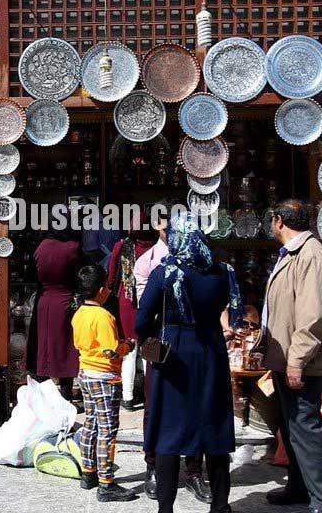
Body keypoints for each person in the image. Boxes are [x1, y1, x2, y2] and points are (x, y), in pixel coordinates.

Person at [135, 211, 244, 513]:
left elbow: (142, 319)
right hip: (211, 351)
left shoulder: (165, 272)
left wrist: (150, 335)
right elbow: (234, 308)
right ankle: (220, 505)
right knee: (215, 427)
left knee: (170, 432)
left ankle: (166, 508)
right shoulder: (223, 272)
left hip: (175, 356)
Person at [259, 199, 322, 513]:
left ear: (279, 220)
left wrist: (297, 359)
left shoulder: (311, 254)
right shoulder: (296, 253)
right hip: (288, 358)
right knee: (292, 426)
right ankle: (298, 487)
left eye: (271, 219)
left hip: (303, 361)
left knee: (305, 427)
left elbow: (313, 314)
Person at [132, 206, 210, 504]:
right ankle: (153, 466)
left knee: (195, 405)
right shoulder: (148, 262)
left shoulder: (202, 260)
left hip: (193, 342)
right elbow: (144, 310)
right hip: (162, 342)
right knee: (155, 406)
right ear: (157, 226)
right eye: (166, 225)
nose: (170, 230)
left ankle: (193, 470)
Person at [71, 264, 137, 502]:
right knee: (108, 429)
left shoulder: (79, 313)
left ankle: (88, 473)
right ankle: (106, 483)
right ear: (101, 290)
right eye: (107, 287)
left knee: (90, 424)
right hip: (104, 377)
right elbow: (111, 351)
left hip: (86, 373)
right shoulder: (104, 316)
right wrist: (128, 346)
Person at [106, 212, 156, 410]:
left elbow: (111, 276)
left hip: (126, 301)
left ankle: (127, 397)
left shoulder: (122, 246)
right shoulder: (155, 247)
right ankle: (149, 395)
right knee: (148, 348)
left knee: (129, 349)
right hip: (150, 301)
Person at [31, 228, 82, 399]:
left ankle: (42, 397)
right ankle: (65, 396)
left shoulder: (41, 247)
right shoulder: (73, 248)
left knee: (43, 347)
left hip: (44, 302)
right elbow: (80, 276)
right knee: (65, 349)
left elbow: (32, 275)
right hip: (65, 303)